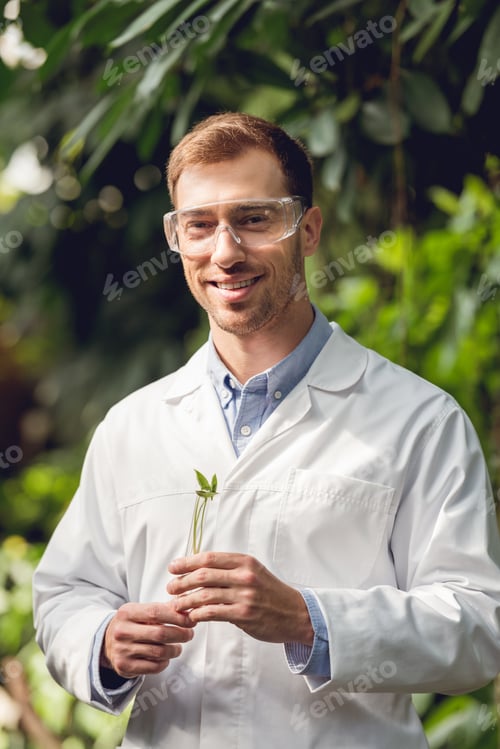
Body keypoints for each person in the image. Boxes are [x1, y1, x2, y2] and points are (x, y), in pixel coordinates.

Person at [33, 112, 500, 749]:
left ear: (307, 230)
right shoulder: (132, 426)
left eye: (254, 219)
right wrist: (104, 641)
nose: (224, 252)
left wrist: (309, 618)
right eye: (199, 225)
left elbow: (479, 626)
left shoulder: (419, 420)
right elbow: (66, 593)